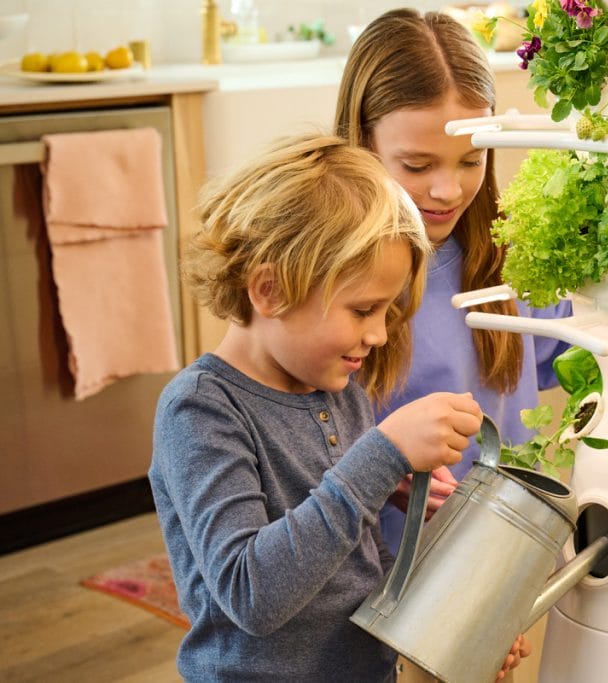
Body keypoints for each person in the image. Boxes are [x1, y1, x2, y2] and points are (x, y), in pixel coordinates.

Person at [148, 133, 486, 681]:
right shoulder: (202, 410)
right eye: (363, 310)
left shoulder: (341, 394)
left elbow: (360, 567)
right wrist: (380, 456)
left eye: (386, 311)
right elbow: (251, 594)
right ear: (270, 290)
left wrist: (453, 630)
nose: (379, 335)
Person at [336, 7, 572, 558]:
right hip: (384, 573)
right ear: (363, 142)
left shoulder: (515, 257)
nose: (447, 191)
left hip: (505, 556)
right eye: (417, 166)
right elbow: (291, 440)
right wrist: (380, 471)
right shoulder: (330, 278)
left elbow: (578, 351)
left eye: (471, 160)